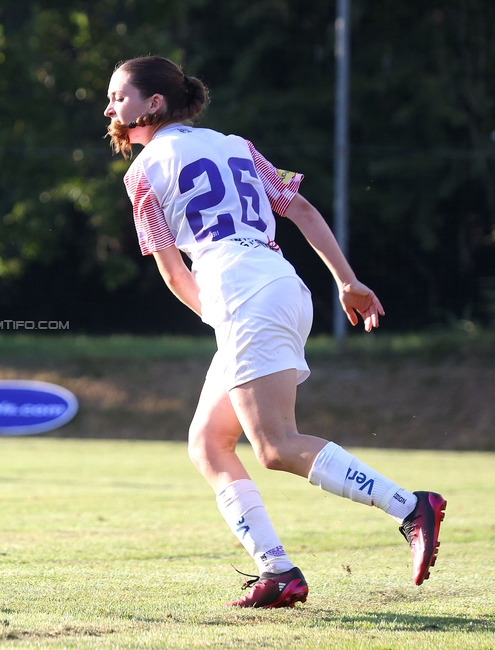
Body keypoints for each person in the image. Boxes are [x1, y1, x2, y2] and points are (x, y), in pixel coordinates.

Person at [104, 56, 446, 608]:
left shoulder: (141, 174)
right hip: (281, 285)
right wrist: (348, 282)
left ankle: (411, 508)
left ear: (154, 104)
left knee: (275, 446)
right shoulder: (238, 145)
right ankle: (278, 572)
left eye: (119, 96)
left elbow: (173, 272)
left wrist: (220, 316)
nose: (110, 107)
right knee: (209, 443)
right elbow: (302, 208)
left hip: (241, 297)